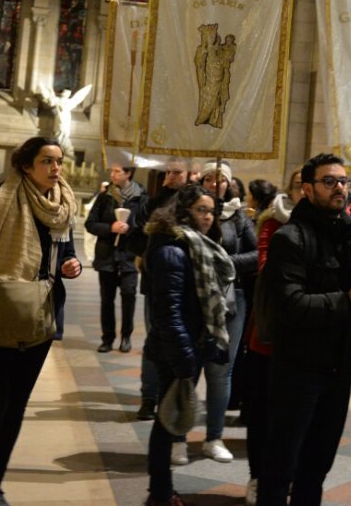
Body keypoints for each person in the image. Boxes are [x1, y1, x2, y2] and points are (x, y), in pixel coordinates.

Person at [0, 136, 83, 506]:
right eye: (47, 161)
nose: (56, 168)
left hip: (39, 318)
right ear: (26, 166)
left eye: (59, 161)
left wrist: (69, 266)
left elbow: (66, 254)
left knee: (15, 408)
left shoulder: (63, 206)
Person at [258, 152, 351, 505]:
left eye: (343, 181)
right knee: (282, 462)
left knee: (317, 464)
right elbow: (290, 305)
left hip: (338, 366)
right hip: (298, 367)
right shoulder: (290, 238)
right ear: (308, 190)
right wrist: (346, 301)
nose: (339, 187)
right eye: (329, 181)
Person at [143, 183, 236, 506]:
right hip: (175, 348)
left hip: (188, 345)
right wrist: (184, 357)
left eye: (211, 211)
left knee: (168, 420)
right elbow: (168, 312)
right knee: (167, 421)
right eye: (201, 210)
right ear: (184, 211)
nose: (208, 217)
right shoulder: (173, 249)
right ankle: (160, 493)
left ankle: (162, 490)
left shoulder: (195, 245)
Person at [197, 161, 257, 464]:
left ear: (229, 183)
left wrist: (223, 262)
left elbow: (257, 254)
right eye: (209, 177)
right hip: (194, 296)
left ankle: (214, 437)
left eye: (220, 179)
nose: (215, 182)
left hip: (233, 297)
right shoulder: (190, 210)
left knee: (221, 370)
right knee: (189, 366)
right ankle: (177, 437)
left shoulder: (240, 216)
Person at [242, 172, 295, 505]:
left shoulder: (335, 225)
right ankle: (257, 476)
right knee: (261, 413)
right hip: (269, 335)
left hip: (304, 344)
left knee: (292, 418)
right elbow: (267, 267)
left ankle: (285, 475)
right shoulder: (272, 224)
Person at [129, 158, 191, 422]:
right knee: (155, 339)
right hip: (155, 282)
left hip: (186, 283)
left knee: (181, 339)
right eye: (167, 172)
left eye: (177, 172)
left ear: (190, 175)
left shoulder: (194, 202)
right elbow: (135, 238)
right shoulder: (153, 202)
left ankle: (174, 397)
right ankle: (148, 397)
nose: (171, 177)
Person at [86, 164, 144, 353]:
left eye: (117, 171)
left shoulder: (141, 197)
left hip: (129, 256)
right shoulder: (105, 197)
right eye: (111, 171)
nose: (112, 174)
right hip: (107, 256)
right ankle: (107, 339)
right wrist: (110, 228)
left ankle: (126, 336)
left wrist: (130, 229)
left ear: (128, 174)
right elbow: (91, 223)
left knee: (129, 297)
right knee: (107, 299)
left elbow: (146, 225)